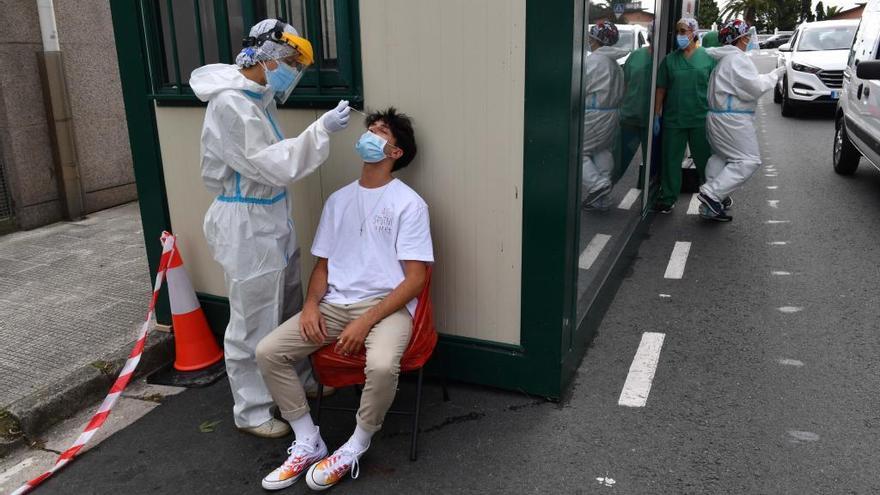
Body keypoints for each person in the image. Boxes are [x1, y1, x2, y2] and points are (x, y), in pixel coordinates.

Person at [255, 108, 433, 491]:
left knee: (383, 365)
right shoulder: (338, 200)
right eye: (370, 127)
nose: (370, 133)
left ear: (395, 153)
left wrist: (365, 321)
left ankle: (356, 443)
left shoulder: (409, 204)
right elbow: (323, 266)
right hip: (334, 305)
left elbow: (415, 279)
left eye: (381, 131)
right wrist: (309, 305)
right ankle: (308, 439)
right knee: (268, 351)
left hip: (387, 308)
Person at [190, 18, 351, 438]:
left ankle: (296, 381)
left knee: (289, 306)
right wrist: (321, 129)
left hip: (270, 216)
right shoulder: (230, 104)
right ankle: (252, 408)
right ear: (267, 56)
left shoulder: (257, 97)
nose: (292, 71)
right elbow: (273, 163)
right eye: (290, 62)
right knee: (253, 317)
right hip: (246, 223)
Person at [698, 20, 785, 221]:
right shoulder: (737, 60)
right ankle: (713, 194)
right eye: (746, 36)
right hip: (732, 120)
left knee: (721, 157)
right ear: (738, 39)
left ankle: (713, 203)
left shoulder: (726, 59)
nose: (749, 39)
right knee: (748, 161)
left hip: (718, 118)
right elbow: (754, 88)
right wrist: (775, 75)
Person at [653, 17, 716, 213]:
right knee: (671, 160)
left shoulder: (708, 58)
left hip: (700, 118)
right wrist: (657, 114)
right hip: (674, 119)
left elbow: (716, 89)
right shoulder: (670, 60)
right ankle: (668, 197)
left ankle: (713, 196)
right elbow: (661, 89)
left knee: (705, 160)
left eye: (684, 31)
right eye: (678, 31)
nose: (680, 36)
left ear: (694, 33)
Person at [582, 21, 627, 211]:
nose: (589, 41)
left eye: (591, 37)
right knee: (602, 150)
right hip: (612, 114)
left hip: (593, 114)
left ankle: (596, 185)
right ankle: (601, 196)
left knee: (578, 153)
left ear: (596, 39)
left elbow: (581, 88)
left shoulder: (593, 62)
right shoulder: (614, 64)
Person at [617, 25, 654, 188]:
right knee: (620, 157)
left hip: (649, 119)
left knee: (651, 160)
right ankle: (602, 189)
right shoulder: (637, 55)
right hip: (632, 117)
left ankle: (650, 189)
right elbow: (625, 84)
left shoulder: (663, 58)